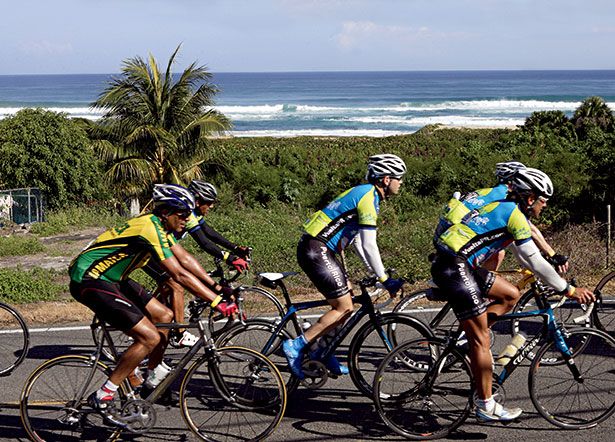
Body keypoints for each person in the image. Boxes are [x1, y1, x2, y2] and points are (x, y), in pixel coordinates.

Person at [431, 167, 595, 422]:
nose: (544, 207)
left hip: (460, 264)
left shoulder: (509, 211)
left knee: (510, 295)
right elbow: (533, 260)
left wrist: (548, 269)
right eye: (543, 201)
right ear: (530, 198)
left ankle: (472, 332)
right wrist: (569, 289)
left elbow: (525, 255)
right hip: (454, 267)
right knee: (482, 340)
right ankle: (486, 405)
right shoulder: (514, 214)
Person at [68, 184, 238, 425]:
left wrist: (216, 288)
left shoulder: (161, 228)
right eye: (182, 214)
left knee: (165, 316)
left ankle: (151, 377)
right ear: (166, 212)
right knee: (150, 337)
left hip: (115, 279)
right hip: (89, 279)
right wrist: (216, 301)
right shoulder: (149, 227)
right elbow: (178, 274)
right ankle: (103, 395)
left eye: (188, 214)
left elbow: (186, 260)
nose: (187, 219)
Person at [282, 154, 407, 379]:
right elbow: (369, 243)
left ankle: (322, 350)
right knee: (343, 306)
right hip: (317, 249)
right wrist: (385, 279)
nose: (402, 183)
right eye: (399, 178)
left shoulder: (365, 193)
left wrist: (374, 273)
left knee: (347, 302)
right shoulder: (369, 197)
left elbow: (358, 241)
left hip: (320, 249)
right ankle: (297, 345)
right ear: (386, 179)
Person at [143, 180, 250, 348]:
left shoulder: (178, 222)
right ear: (198, 200)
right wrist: (216, 296)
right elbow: (204, 243)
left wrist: (234, 249)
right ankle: (179, 333)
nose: (212, 207)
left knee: (172, 285)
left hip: (158, 250)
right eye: (209, 202)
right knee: (176, 285)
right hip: (146, 254)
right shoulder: (164, 223)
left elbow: (191, 252)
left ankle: (155, 312)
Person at [434, 161, 569, 273]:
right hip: (457, 244)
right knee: (499, 253)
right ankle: (479, 289)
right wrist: (551, 254)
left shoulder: (486, 191)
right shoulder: (505, 197)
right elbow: (529, 230)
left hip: (445, 235)